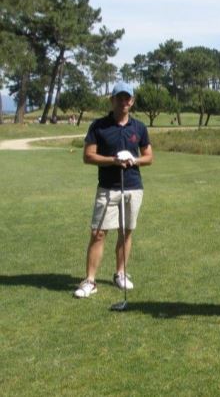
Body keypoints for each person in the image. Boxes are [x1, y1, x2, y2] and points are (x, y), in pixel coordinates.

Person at [73, 82, 153, 298]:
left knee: (126, 232)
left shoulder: (139, 127)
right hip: (108, 188)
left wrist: (133, 160)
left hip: (133, 187)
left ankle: (121, 274)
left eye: (128, 98)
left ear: (132, 101)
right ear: (112, 100)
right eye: (120, 97)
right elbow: (88, 156)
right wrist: (113, 160)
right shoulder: (99, 126)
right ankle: (90, 281)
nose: (124, 101)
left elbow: (149, 157)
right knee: (98, 233)